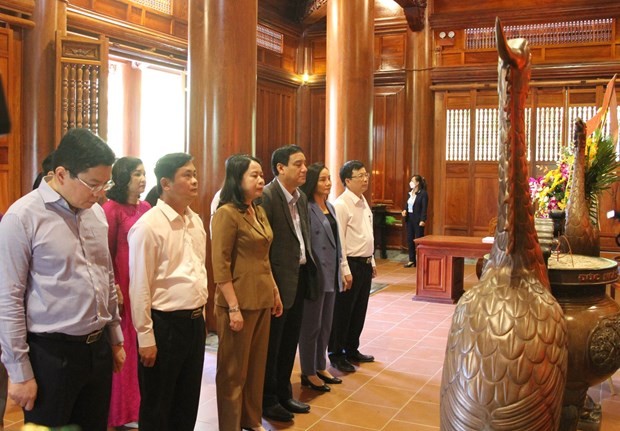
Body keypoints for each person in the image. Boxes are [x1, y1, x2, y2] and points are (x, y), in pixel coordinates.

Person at [0, 128, 125, 431]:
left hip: (96, 351)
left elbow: (105, 278)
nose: (100, 193)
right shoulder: (22, 217)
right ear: (60, 174)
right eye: (93, 184)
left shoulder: (95, 214)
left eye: (105, 183)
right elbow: (8, 299)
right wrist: (20, 373)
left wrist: (115, 338)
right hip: (50, 356)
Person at [128, 152, 208, 431]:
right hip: (165, 326)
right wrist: (145, 337)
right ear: (166, 183)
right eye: (187, 175)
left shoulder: (195, 221)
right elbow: (139, 285)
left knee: (187, 404)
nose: (195, 180)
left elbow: (199, 272)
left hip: (195, 323)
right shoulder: (148, 226)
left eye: (195, 173)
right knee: (157, 406)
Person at [211, 154, 283, 431]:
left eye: (261, 174)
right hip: (238, 301)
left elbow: (264, 258)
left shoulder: (259, 210)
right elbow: (221, 265)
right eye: (253, 175)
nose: (261, 179)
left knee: (255, 369)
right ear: (236, 179)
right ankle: (229, 425)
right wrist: (233, 306)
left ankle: (251, 420)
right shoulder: (226, 214)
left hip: (262, 297)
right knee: (233, 372)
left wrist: (274, 292)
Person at [261, 145, 317, 423]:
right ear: (280, 168)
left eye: (305, 163)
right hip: (277, 283)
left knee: (289, 344)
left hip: (299, 279)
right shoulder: (268, 197)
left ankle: (283, 393)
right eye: (298, 164)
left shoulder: (302, 197)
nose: (304, 168)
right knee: (274, 345)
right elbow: (264, 248)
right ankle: (268, 399)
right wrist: (271, 286)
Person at [102, 157, 151, 429]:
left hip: (143, 285)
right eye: (136, 174)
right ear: (123, 177)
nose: (142, 179)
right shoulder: (111, 209)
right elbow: (105, 252)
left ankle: (138, 408)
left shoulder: (146, 207)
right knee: (125, 348)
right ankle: (121, 412)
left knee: (141, 347)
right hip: (122, 287)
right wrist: (115, 287)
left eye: (144, 173)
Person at [298, 163, 343, 392]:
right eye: (323, 179)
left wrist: (343, 268)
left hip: (332, 273)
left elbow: (338, 243)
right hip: (315, 275)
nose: (328, 183)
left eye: (329, 179)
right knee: (311, 326)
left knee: (326, 324)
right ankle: (308, 371)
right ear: (313, 182)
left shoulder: (331, 208)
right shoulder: (305, 208)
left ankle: (320, 365)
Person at [329, 160, 376, 373]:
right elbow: (340, 240)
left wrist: (372, 260)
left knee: (359, 310)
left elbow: (368, 233)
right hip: (351, 265)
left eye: (366, 175)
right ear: (347, 180)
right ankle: (336, 354)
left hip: (364, 263)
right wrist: (344, 270)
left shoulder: (363, 201)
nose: (365, 179)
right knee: (343, 311)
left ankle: (352, 348)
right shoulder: (341, 204)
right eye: (360, 176)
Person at [401, 174, 428, 268]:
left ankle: (421, 259)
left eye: (412, 181)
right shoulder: (410, 192)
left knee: (419, 240)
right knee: (410, 239)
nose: (410, 182)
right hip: (409, 218)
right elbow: (407, 204)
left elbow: (424, 208)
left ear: (417, 183)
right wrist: (404, 210)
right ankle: (411, 260)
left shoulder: (423, 193)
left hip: (418, 219)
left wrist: (423, 219)